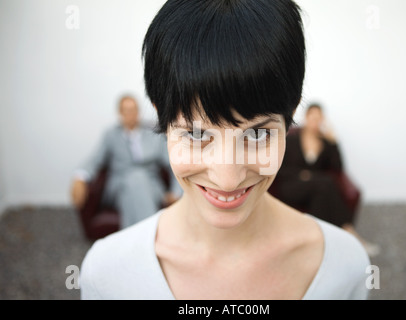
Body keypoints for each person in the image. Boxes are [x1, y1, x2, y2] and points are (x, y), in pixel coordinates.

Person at [80, 0, 371, 300]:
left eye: (257, 134)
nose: (228, 178)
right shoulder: (107, 273)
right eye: (195, 134)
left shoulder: (344, 266)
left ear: (289, 117)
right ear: (162, 119)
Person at [274, 103, 380, 257]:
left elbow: (338, 168)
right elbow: (281, 169)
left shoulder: (325, 142)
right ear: (306, 117)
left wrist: (334, 142)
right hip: (292, 186)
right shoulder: (291, 139)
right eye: (313, 117)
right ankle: (348, 232)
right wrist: (303, 175)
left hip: (316, 189)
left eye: (319, 118)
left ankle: (320, 243)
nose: (315, 121)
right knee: (326, 183)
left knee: (322, 191)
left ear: (322, 120)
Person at [70, 95, 182, 228]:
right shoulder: (110, 135)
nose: (131, 115)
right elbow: (94, 160)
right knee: (135, 180)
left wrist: (176, 192)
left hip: (152, 186)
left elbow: (172, 163)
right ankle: (151, 232)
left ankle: (132, 239)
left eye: (134, 110)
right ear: (120, 113)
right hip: (119, 185)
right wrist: (79, 177)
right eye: (127, 111)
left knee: (131, 193)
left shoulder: (153, 134)